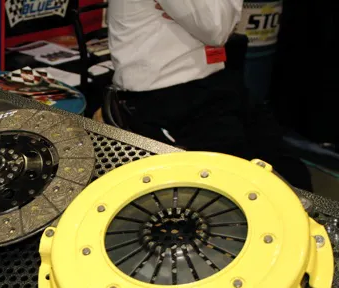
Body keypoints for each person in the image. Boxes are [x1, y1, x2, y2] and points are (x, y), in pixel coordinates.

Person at [107, 0, 312, 190]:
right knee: (242, 186)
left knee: (292, 173)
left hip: (213, 83)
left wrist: (207, 11)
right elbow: (216, 27)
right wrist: (212, 11)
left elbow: (223, 24)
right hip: (162, 96)